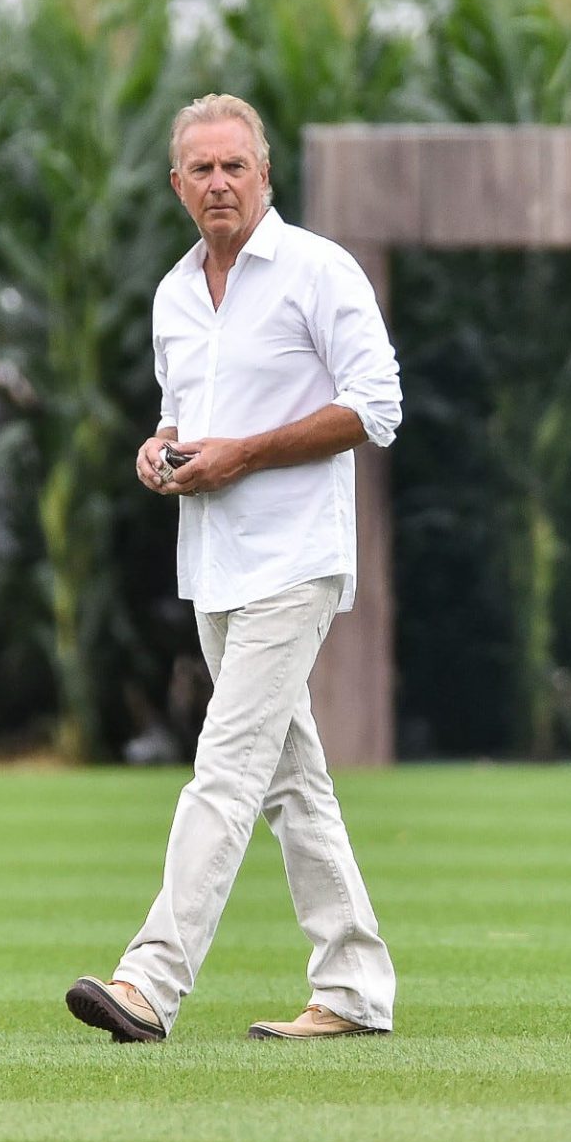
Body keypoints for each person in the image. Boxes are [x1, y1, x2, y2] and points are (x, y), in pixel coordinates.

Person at [67, 94, 400, 1044]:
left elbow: (377, 405)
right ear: (178, 185)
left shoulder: (317, 270)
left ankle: (149, 983)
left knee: (224, 767)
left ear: (265, 173)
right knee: (293, 784)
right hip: (213, 561)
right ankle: (354, 990)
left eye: (235, 166)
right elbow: (184, 417)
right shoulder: (175, 293)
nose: (219, 182)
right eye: (201, 169)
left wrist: (243, 454)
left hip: (296, 561)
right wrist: (160, 448)